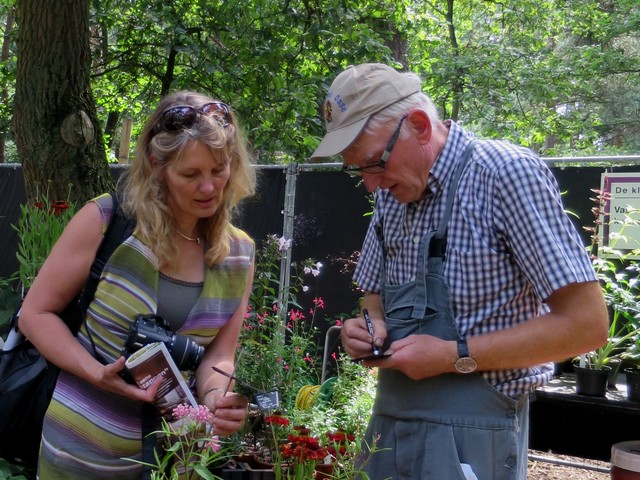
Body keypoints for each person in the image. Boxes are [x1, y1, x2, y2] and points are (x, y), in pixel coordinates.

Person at [311, 63, 609, 480]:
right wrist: (367, 326)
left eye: (374, 164)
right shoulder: (392, 195)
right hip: (388, 432)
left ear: (417, 125)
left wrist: (455, 357)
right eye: (358, 169)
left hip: (476, 436)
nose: (371, 185)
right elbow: (373, 297)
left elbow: (586, 326)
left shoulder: (505, 174)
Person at [19, 91, 257, 479]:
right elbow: (35, 314)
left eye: (219, 169)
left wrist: (216, 398)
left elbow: (218, 355)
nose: (209, 188)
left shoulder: (238, 252)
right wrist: (96, 373)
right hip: (82, 448)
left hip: (178, 460)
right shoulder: (106, 221)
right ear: (157, 165)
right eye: (190, 174)